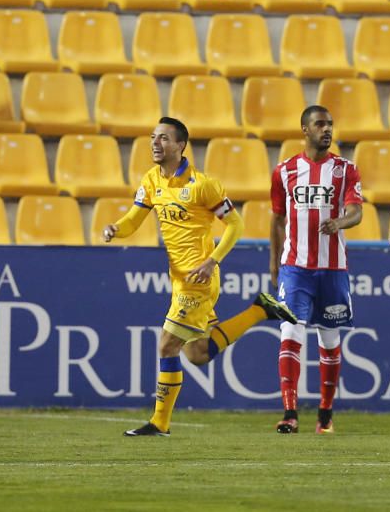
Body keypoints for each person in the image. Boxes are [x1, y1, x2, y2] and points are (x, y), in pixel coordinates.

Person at [103, 117, 297, 437]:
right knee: (198, 354)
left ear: (180, 146)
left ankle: (159, 423)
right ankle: (260, 309)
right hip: (178, 278)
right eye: (153, 137)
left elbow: (236, 226)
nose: (155, 143)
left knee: (167, 346)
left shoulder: (203, 185)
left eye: (163, 138)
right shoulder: (152, 180)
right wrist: (115, 229)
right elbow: (133, 220)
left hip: (199, 279)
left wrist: (212, 261)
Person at [271, 106, 364, 434]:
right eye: (320, 124)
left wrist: (339, 222)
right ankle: (289, 412)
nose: (327, 129)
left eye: (330, 124)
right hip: (295, 269)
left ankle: (325, 413)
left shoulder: (345, 170)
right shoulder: (284, 171)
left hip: (332, 269)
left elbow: (356, 212)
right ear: (304, 130)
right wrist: (274, 264)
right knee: (290, 332)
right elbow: (278, 219)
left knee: (329, 339)